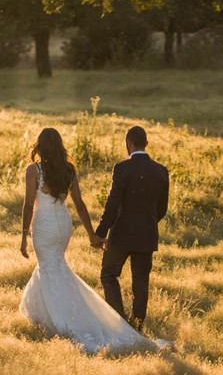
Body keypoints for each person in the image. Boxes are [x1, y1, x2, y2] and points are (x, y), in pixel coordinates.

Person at [18, 127, 168, 354]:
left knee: (55, 268)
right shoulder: (68, 170)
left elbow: (29, 205)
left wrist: (23, 236)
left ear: (40, 146)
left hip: (45, 226)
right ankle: (130, 324)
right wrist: (91, 234)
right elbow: (79, 205)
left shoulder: (33, 171)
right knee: (56, 267)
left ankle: (62, 319)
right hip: (64, 225)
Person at [95, 126, 169, 331]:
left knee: (108, 274)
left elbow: (112, 204)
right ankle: (136, 326)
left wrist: (101, 232)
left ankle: (120, 322)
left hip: (121, 234)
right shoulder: (161, 171)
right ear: (146, 144)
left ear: (128, 144)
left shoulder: (122, 168)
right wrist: (147, 223)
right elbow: (162, 209)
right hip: (147, 235)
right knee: (141, 283)